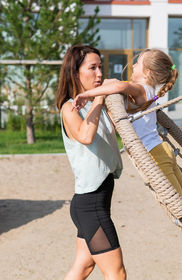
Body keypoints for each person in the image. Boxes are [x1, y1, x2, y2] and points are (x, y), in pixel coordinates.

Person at [73, 48, 182, 253]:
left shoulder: (140, 88)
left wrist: (86, 93)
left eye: (137, 64)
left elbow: (119, 85)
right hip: (162, 151)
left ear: (147, 72)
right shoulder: (148, 91)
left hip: (155, 156)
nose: (133, 66)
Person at [56, 45, 126, 280]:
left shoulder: (98, 105)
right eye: (92, 68)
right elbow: (85, 136)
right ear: (76, 73)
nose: (99, 74)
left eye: (101, 68)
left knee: (83, 268)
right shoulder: (70, 107)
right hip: (90, 206)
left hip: (95, 203)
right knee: (117, 274)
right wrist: (99, 98)